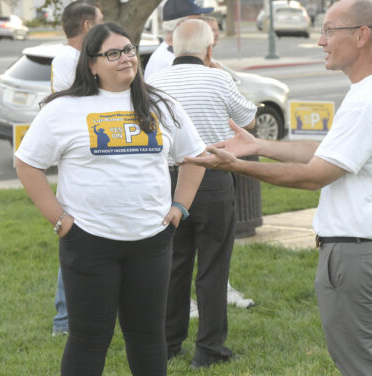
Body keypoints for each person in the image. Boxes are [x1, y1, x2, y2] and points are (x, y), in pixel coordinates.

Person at [185, 1, 372, 375]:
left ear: (361, 36)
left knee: (361, 365)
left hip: (359, 256)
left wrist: (238, 166)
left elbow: (314, 175)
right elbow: (330, 152)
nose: (321, 40)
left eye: (328, 30)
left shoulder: (369, 99)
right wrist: (258, 146)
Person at [15, 22, 206, 376]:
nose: (125, 59)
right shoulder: (64, 109)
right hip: (88, 240)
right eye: (113, 53)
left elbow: (194, 157)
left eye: (129, 50)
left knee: (149, 337)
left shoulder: (162, 104)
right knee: (89, 339)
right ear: (91, 63)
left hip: (151, 240)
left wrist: (179, 207)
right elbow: (27, 164)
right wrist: (61, 221)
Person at [148, 19, 256, 369]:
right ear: (210, 49)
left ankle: (167, 341)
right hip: (212, 175)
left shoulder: (153, 83)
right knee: (213, 265)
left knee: (175, 263)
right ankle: (209, 349)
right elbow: (248, 119)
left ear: (173, 46)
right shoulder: (218, 77)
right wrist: (221, 71)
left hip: (167, 180)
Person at [49, 0, 103, 337]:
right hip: (80, 161)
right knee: (76, 243)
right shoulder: (70, 59)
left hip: (90, 159)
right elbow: (82, 100)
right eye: (100, 21)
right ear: (86, 25)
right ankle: (64, 321)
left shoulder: (72, 58)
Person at [144, 0, 213, 80]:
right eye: (199, 20)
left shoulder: (176, 53)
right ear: (181, 26)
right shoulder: (163, 60)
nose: (205, 24)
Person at [51, 0, 103, 93]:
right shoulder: (68, 59)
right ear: (88, 25)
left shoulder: (77, 56)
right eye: (100, 21)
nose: (104, 27)